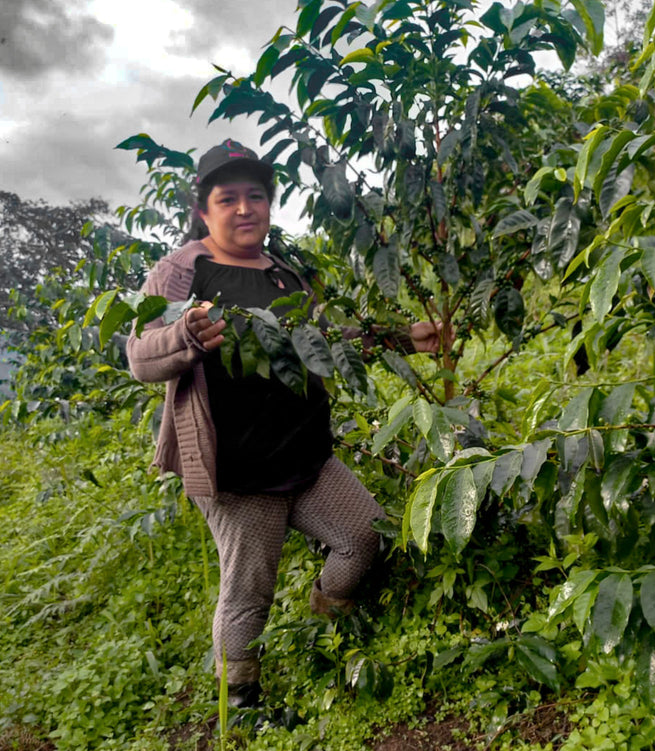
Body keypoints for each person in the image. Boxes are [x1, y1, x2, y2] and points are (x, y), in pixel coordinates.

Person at [126, 139, 443, 710]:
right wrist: (185, 337)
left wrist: (399, 337)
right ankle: (242, 703)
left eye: (255, 197)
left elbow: (324, 337)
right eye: (228, 199)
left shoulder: (284, 274)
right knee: (249, 593)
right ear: (204, 210)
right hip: (237, 470)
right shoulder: (180, 272)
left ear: (270, 206)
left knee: (363, 537)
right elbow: (140, 355)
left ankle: (331, 627)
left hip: (306, 454)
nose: (244, 209)